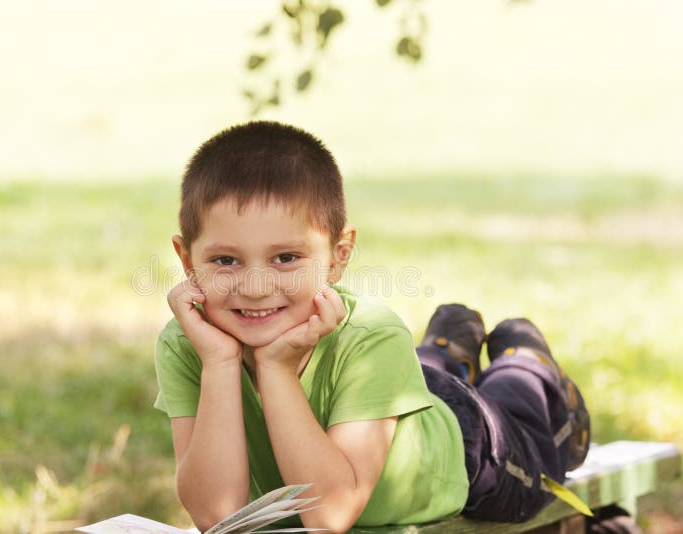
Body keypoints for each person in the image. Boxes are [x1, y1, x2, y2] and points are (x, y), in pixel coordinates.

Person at [153, 120, 590, 533]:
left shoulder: (374, 335)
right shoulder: (193, 342)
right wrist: (220, 363)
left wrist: (276, 369)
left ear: (339, 256)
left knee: (534, 446)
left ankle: (524, 357)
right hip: (385, 393)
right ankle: (446, 345)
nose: (254, 286)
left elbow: (330, 514)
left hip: (467, 445)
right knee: (416, 373)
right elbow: (216, 516)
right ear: (188, 260)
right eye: (225, 260)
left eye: (286, 258)